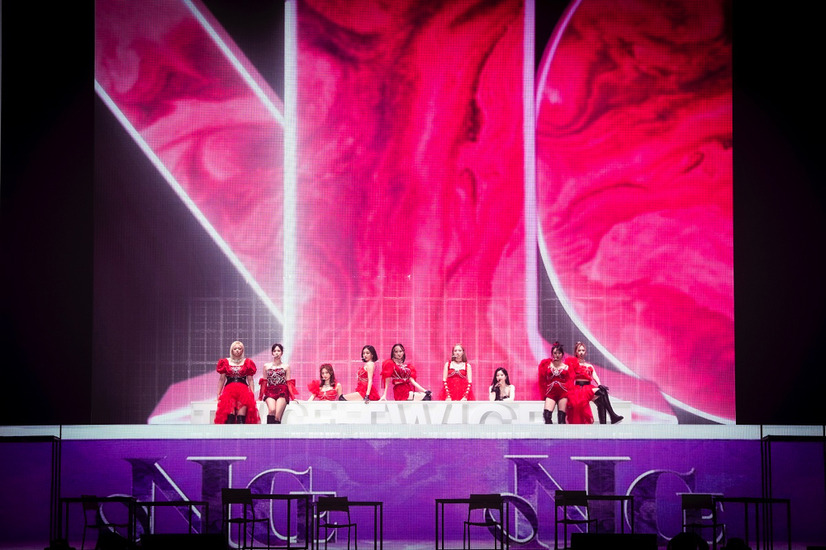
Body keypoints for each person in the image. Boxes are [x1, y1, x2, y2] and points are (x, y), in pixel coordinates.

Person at [565, 342, 623, 424]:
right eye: (579, 350)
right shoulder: (573, 364)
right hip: (579, 389)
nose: (581, 352)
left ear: (586, 352)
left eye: (583, 350)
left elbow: (595, 376)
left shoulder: (589, 366)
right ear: (576, 352)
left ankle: (603, 423)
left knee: (601, 399)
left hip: (588, 388)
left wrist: (599, 384)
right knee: (602, 393)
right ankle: (612, 415)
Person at [215, 341, 260, 424]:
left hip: (243, 391)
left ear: (242, 350)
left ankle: (241, 432)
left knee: (241, 418)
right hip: (229, 391)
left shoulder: (247, 362)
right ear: (231, 350)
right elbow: (222, 379)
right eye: (235, 348)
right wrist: (218, 394)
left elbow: (250, 380)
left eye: (239, 348)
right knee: (230, 416)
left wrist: (252, 394)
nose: (237, 350)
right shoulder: (225, 362)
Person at [258, 343, 297, 424]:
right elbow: (264, 382)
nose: (276, 353)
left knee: (277, 416)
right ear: (272, 353)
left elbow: (289, 383)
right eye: (275, 351)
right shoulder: (266, 366)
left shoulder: (286, 366)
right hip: (270, 391)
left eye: (278, 351)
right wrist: (260, 397)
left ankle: (275, 431)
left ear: (282, 353)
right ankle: (268, 431)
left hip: (282, 391)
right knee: (272, 410)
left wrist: (293, 397)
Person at [537, 342, 569, 424]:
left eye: (559, 353)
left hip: (563, 394)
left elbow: (570, 381)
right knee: (547, 416)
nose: (557, 355)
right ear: (552, 354)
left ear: (562, 354)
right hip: (551, 393)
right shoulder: (546, 365)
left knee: (561, 419)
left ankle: (562, 433)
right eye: (555, 353)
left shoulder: (566, 367)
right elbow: (542, 380)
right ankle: (550, 432)